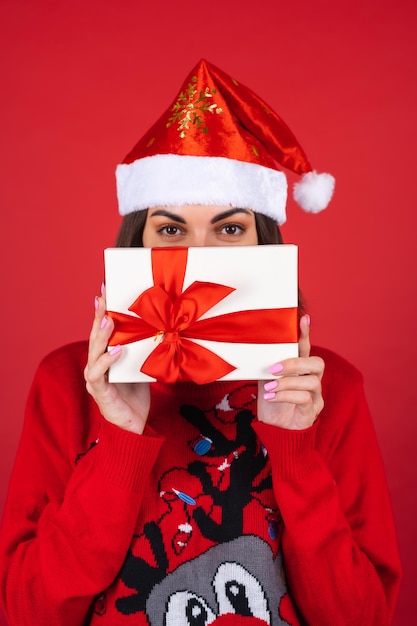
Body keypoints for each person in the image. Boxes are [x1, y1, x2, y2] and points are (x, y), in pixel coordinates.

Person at [0, 59, 401, 626]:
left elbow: (361, 617)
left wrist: (295, 452)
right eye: (170, 229)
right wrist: (118, 436)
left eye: (230, 228)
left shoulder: (325, 388)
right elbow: (28, 613)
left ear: (263, 243)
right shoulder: (65, 383)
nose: (201, 252)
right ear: (136, 244)